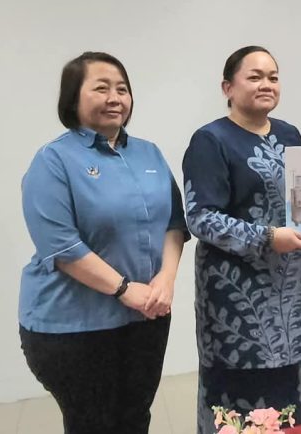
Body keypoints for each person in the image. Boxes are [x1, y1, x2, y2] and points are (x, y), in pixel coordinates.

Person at [19, 51, 188, 434]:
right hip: (72, 326)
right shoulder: (53, 160)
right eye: (101, 88)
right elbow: (62, 247)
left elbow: (174, 223)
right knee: (93, 424)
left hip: (146, 317)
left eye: (122, 89)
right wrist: (125, 290)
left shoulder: (148, 152)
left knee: (134, 419)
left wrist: (166, 279)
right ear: (73, 98)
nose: (115, 98)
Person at [183, 46, 301, 434]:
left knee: (285, 391)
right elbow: (201, 218)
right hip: (235, 296)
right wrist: (267, 237)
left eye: (273, 77)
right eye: (254, 77)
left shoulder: (289, 134)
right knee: (237, 399)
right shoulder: (210, 140)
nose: (266, 84)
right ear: (228, 88)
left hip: (287, 288)